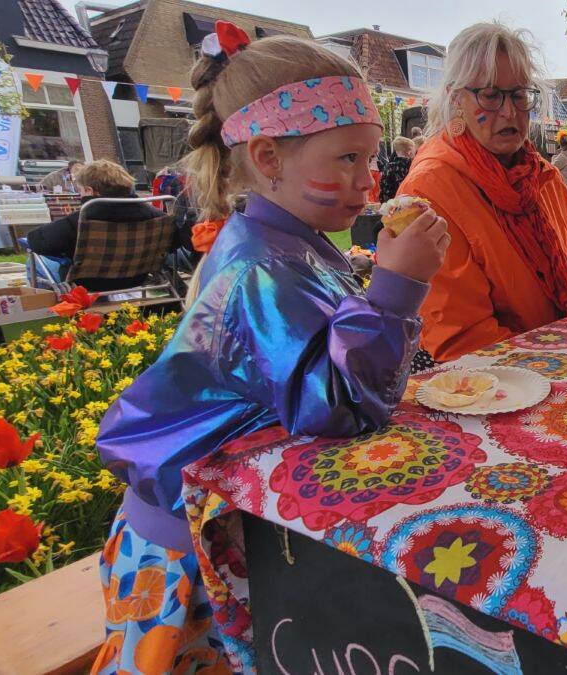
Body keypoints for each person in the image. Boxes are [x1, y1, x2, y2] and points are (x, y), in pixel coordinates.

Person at [93, 25, 448, 672]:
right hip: (186, 556)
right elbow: (338, 404)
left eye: (372, 160)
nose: (370, 181)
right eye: (347, 159)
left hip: (229, 524)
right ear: (268, 156)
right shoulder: (256, 268)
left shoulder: (294, 241)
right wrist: (399, 288)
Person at [400, 21, 567, 362]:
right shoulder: (430, 190)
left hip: (564, 364)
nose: (509, 111)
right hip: (493, 385)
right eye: (490, 95)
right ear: (456, 100)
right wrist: (560, 362)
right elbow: (461, 337)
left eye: (519, 94)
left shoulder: (543, 178)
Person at [25, 160, 169, 292]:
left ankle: (51, 311)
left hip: (87, 285)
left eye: (80, 190)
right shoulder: (155, 217)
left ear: (89, 191)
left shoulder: (81, 221)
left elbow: (36, 242)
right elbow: (172, 244)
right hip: (136, 279)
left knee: (35, 261)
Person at [379, 136, 415, 203]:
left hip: (391, 203)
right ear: (409, 151)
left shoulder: (388, 167)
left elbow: (384, 188)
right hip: (408, 202)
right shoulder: (412, 167)